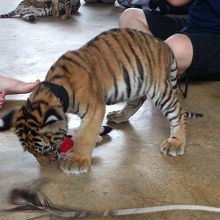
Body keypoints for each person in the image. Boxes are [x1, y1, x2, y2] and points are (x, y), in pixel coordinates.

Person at [119, 0, 220, 81]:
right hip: (195, 26)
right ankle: (157, 68)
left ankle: (156, 69)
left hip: (215, 36)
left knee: (173, 49)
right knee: (130, 17)